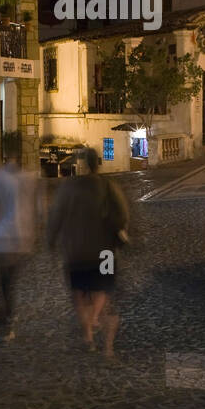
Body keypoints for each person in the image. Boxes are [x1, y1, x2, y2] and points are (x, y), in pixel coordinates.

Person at [48, 149, 129, 359]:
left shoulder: (68, 188)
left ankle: (88, 336)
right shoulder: (108, 186)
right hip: (105, 251)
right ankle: (103, 339)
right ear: (97, 164)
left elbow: (56, 216)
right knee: (102, 291)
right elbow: (121, 215)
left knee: (79, 295)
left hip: (76, 251)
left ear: (80, 164)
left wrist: (51, 241)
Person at [0, 157, 37, 342]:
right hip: (20, 238)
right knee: (10, 281)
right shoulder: (28, 179)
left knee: (3, 283)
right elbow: (36, 210)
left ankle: (5, 323)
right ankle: (9, 315)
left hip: (2, 237)